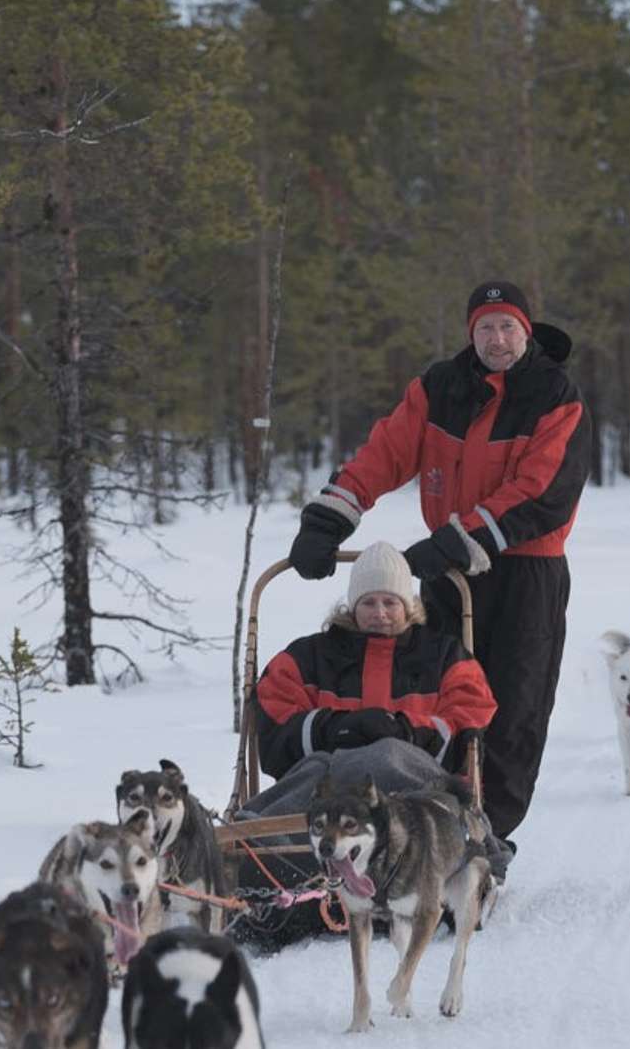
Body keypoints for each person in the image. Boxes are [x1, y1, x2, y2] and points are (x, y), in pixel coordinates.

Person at [284, 281, 588, 843]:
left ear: (526, 331)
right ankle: (429, 829)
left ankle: (486, 838)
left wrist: (456, 538)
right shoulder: (441, 387)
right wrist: (329, 519)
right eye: (485, 327)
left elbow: (542, 492)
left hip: (526, 574)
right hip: (449, 575)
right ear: (471, 332)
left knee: (513, 712)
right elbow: (385, 453)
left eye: (508, 327)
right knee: (438, 704)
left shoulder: (554, 394)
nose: (497, 339)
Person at [253, 542, 497, 778]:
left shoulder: (446, 657)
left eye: (390, 602)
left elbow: (468, 725)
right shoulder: (307, 658)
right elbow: (276, 731)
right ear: (353, 608)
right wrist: (336, 727)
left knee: (393, 759)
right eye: (368, 603)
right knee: (312, 774)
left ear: (408, 607)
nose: (380, 613)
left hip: (420, 790)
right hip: (326, 788)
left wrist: (406, 733)